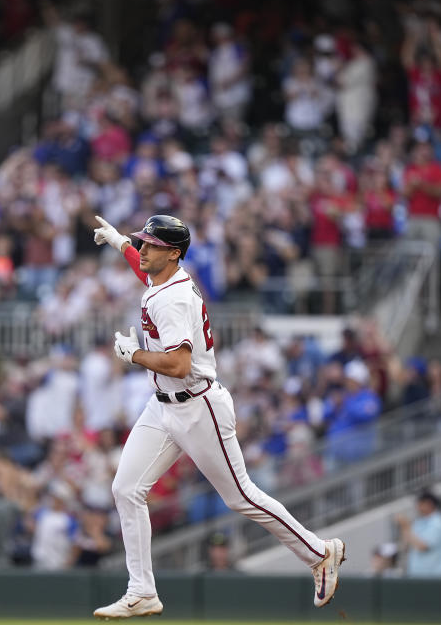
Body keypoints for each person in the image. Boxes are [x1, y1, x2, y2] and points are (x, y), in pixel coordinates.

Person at [92, 214, 345, 619]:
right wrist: (121, 241)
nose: (142, 249)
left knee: (240, 496)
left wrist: (133, 355)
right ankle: (141, 590)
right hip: (163, 405)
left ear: (173, 253)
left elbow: (177, 364)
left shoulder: (172, 297)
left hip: (197, 405)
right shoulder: (164, 280)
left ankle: (320, 553)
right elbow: (146, 275)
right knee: (126, 489)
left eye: (150, 245)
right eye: (142, 242)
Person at [395, 490, 441, 577]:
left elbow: (423, 546)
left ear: (429, 503)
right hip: (416, 574)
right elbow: (406, 545)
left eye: (420, 503)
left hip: (434, 576)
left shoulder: (438, 522)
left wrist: (406, 526)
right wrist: (403, 528)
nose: (417, 506)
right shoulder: (419, 521)